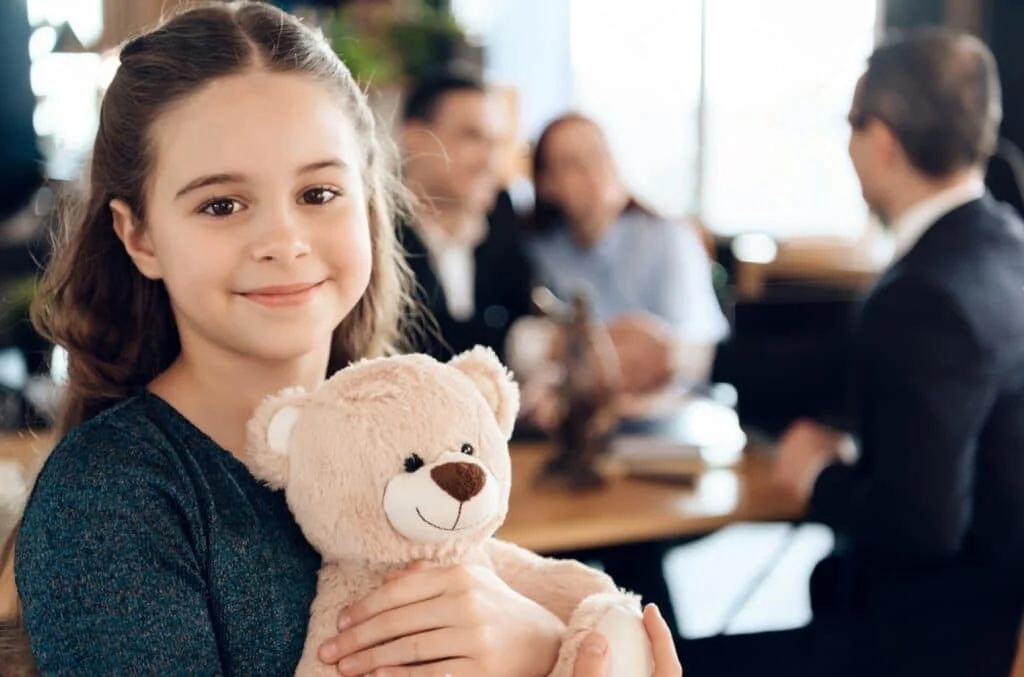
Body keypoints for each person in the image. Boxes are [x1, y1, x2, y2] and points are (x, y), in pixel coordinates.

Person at [1, 3, 681, 675]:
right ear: (139, 235)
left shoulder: (417, 428)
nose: (283, 242)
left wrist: (540, 644)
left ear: (368, 202)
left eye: (319, 193)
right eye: (222, 204)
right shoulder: (109, 500)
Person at [769, 28, 1024, 677]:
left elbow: (922, 524)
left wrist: (817, 476)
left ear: (881, 140)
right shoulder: (1005, 243)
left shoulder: (927, 292)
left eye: (850, 126)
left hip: (937, 641)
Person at [513, 113, 729, 397]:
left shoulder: (670, 238)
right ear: (546, 184)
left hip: (669, 405)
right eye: (571, 164)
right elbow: (521, 344)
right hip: (581, 407)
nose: (592, 171)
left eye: (598, 155)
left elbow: (701, 346)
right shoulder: (537, 250)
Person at [398, 71, 535, 364]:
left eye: (497, 143)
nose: (491, 160)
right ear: (415, 138)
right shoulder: (371, 234)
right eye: (472, 137)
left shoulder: (508, 223)